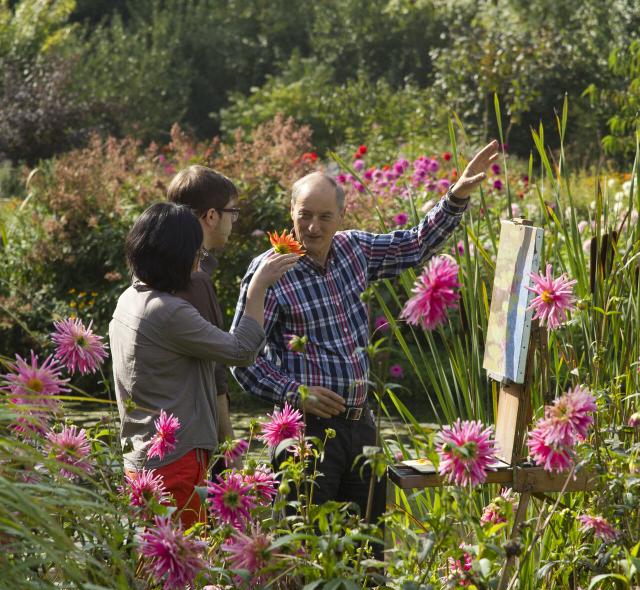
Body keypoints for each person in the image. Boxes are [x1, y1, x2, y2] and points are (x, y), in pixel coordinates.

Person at [230, 141, 500, 532]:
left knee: (368, 543)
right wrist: (294, 392)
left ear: (341, 215)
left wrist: (455, 197)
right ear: (291, 212)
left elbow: (416, 244)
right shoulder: (270, 272)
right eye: (304, 215)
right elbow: (242, 360)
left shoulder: (354, 249)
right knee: (305, 545)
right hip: (306, 432)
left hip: (361, 426)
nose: (313, 227)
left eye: (325, 216)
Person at [109, 202, 299, 527]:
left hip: (139, 459)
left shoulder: (129, 298)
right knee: (185, 560)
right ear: (179, 255)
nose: (199, 261)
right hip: (176, 462)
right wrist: (258, 287)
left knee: (153, 561)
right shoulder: (167, 311)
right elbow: (240, 351)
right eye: (196, 251)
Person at [167, 165, 240, 467]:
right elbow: (216, 368)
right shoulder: (194, 276)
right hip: (195, 438)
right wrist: (230, 448)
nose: (234, 221)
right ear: (211, 216)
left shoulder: (164, 263)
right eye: (233, 212)